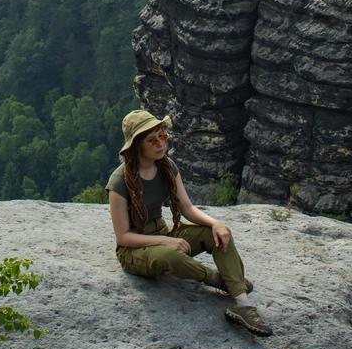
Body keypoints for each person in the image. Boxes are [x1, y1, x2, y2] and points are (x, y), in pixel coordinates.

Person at [106, 108, 272, 336]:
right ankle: (217, 279)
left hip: (163, 234)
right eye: (152, 140)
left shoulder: (166, 166)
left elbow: (187, 208)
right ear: (137, 146)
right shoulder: (119, 182)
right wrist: (165, 241)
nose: (160, 144)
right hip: (135, 250)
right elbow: (123, 237)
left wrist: (216, 224)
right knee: (171, 254)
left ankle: (243, 306)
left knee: (217, 234)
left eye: (162, 136)